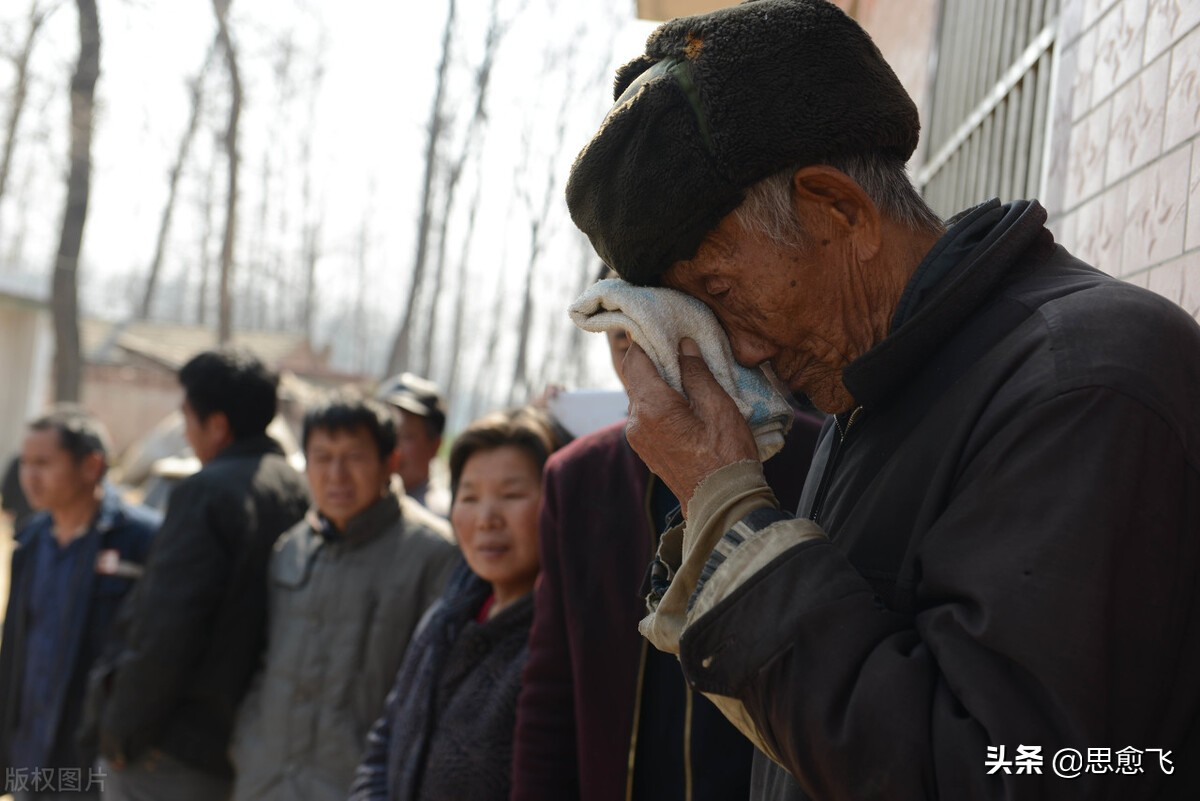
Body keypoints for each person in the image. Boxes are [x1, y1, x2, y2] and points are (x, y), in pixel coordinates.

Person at [563, 1, 1200, 798]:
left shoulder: (1081, 380)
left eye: (722, 290)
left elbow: (996, 773)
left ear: (838, 209)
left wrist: (726, 507)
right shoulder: (877, 395)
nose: (745, 352)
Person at [511, 268, 824, 801]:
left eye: (656, 326)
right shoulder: (578, 478)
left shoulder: (812, 453)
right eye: (619, 336)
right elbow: (551, 685)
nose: (639, 360)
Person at [91, 347, 310, 801]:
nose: (185, 433)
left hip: (170, 747)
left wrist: (121, 731)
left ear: (218, 425)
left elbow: (166, 626)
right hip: (245, 743)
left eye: (188, 418)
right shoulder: (295, 489)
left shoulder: (206, 493)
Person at [229, 393, 457, 801]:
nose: (336, 474)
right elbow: (264, 662)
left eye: (354, 457)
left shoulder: (434, 555)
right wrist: (248, 746)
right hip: (266, 782)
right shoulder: (292, 547)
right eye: (322, 457)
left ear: (391, 463)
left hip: (357, 787)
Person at [348, 407, 561, 801]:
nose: (486, 519)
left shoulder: (557, 643)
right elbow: (386, 739)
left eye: (511, 495)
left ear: (558, 506)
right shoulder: (447, 614)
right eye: (469, 496)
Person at [0, 407, 159, 801]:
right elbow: (16, 650)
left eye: (44, 463)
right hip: (30, 752)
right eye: (26, 463)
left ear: (91, 466)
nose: (29, 477)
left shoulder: (139, 540)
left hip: (94, 759)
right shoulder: (32, 541)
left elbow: (152, 647)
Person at [376, 372, 451, 516]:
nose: (392, 448)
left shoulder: (443, 518)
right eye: (387, 434)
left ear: (435, 446)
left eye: (405, 437)